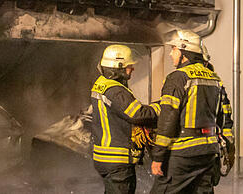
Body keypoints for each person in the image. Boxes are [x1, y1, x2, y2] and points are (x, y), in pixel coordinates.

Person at [150, 30, 234, 193]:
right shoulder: (214, 78)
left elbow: (168, 119)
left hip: (183, 153)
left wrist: (158, 156)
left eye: (174, 49)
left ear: (184, 52)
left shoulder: (177, 77)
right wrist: (227, 147)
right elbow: (226, 116)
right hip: (209, 152)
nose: (171, 54)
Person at [89, 44, 160, 194]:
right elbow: (138, 114)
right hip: (117, 161)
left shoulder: (101, 84)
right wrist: (161, 106)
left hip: (106, 159)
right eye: (129, 66)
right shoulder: (114, 90)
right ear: (118, 67)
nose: (132, 69)